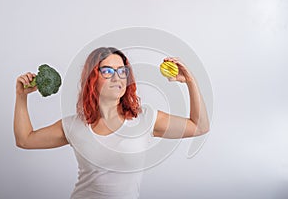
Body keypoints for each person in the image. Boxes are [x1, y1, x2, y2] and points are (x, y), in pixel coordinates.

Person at [14, 47, 210, 199]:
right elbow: (25, 140)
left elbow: (199, 126)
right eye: (107, 71)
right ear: (93, 78)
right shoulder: (74, 125)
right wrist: (21, 97)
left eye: (122, 71)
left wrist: (190, 81)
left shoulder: (145, 119)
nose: (117, 77)